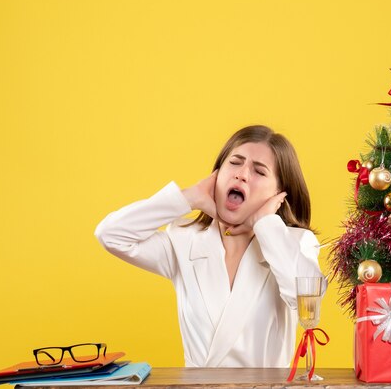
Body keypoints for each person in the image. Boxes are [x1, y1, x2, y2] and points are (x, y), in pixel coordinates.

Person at [94, 125, 324, 368]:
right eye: (235, 162)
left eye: (259, 171)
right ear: (217, 173)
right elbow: (110, 235)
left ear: (278, 193)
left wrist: (267, 224)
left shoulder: (295, 243)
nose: (242, 174)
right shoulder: (184, 241)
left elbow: (307, 302)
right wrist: (188, 198)